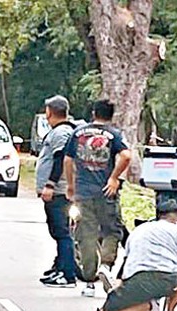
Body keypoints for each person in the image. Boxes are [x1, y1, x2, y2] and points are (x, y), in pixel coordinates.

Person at [96, 200, 177, 311]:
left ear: (158, 216)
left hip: (134, 282)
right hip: (165, 282)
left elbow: (126, 264)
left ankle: (146, 308)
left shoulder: (138, 230)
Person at [64, 100, 132, 297]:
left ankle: (89, 281)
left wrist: (70, 185)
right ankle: (106, 265)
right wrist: (113, 178)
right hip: (106, 192)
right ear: (111, 115)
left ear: (93, 113)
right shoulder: (114, 135)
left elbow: (68, 160)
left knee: (86, 235)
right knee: (112, 230)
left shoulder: (78, 133)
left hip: (83, 192)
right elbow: (126, 156)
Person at [36, 95, 77, 287]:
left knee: (62, 232)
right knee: (58, 231)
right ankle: (60, 266)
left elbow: (60, 158)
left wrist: (51, 184)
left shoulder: (61, 132)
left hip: (58, 191)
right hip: (57, 190)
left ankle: (67, 274)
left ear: (50, 112)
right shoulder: (59, 131)